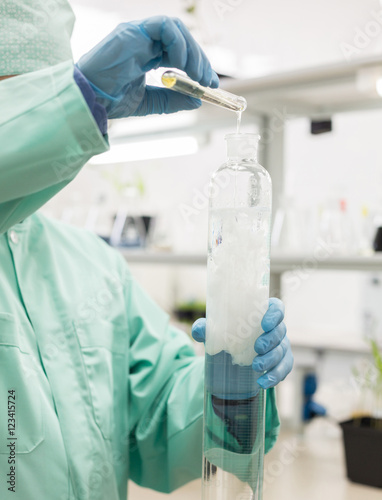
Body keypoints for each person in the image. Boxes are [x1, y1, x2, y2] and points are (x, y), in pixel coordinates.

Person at [0, 2, 293, 499]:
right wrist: (78, 98)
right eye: (19, 102)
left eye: (40, 92)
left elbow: (160, 428)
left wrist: (231, 386)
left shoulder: (92, 266)